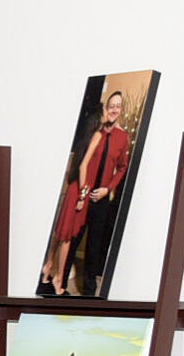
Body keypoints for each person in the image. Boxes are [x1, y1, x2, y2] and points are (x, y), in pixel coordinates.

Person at [41, 87, 136, 296]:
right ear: (106, 108)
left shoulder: (123, 137)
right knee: (71, 238)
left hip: (101, 197)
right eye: (111, 106)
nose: (114, 109)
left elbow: (122, 168)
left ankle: (90, 293)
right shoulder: (95, 131)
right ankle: (60, 283)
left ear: (121, 110)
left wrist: (107, 189)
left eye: (117, 107)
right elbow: (82, 163)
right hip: (82, 192)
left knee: (94, 245)